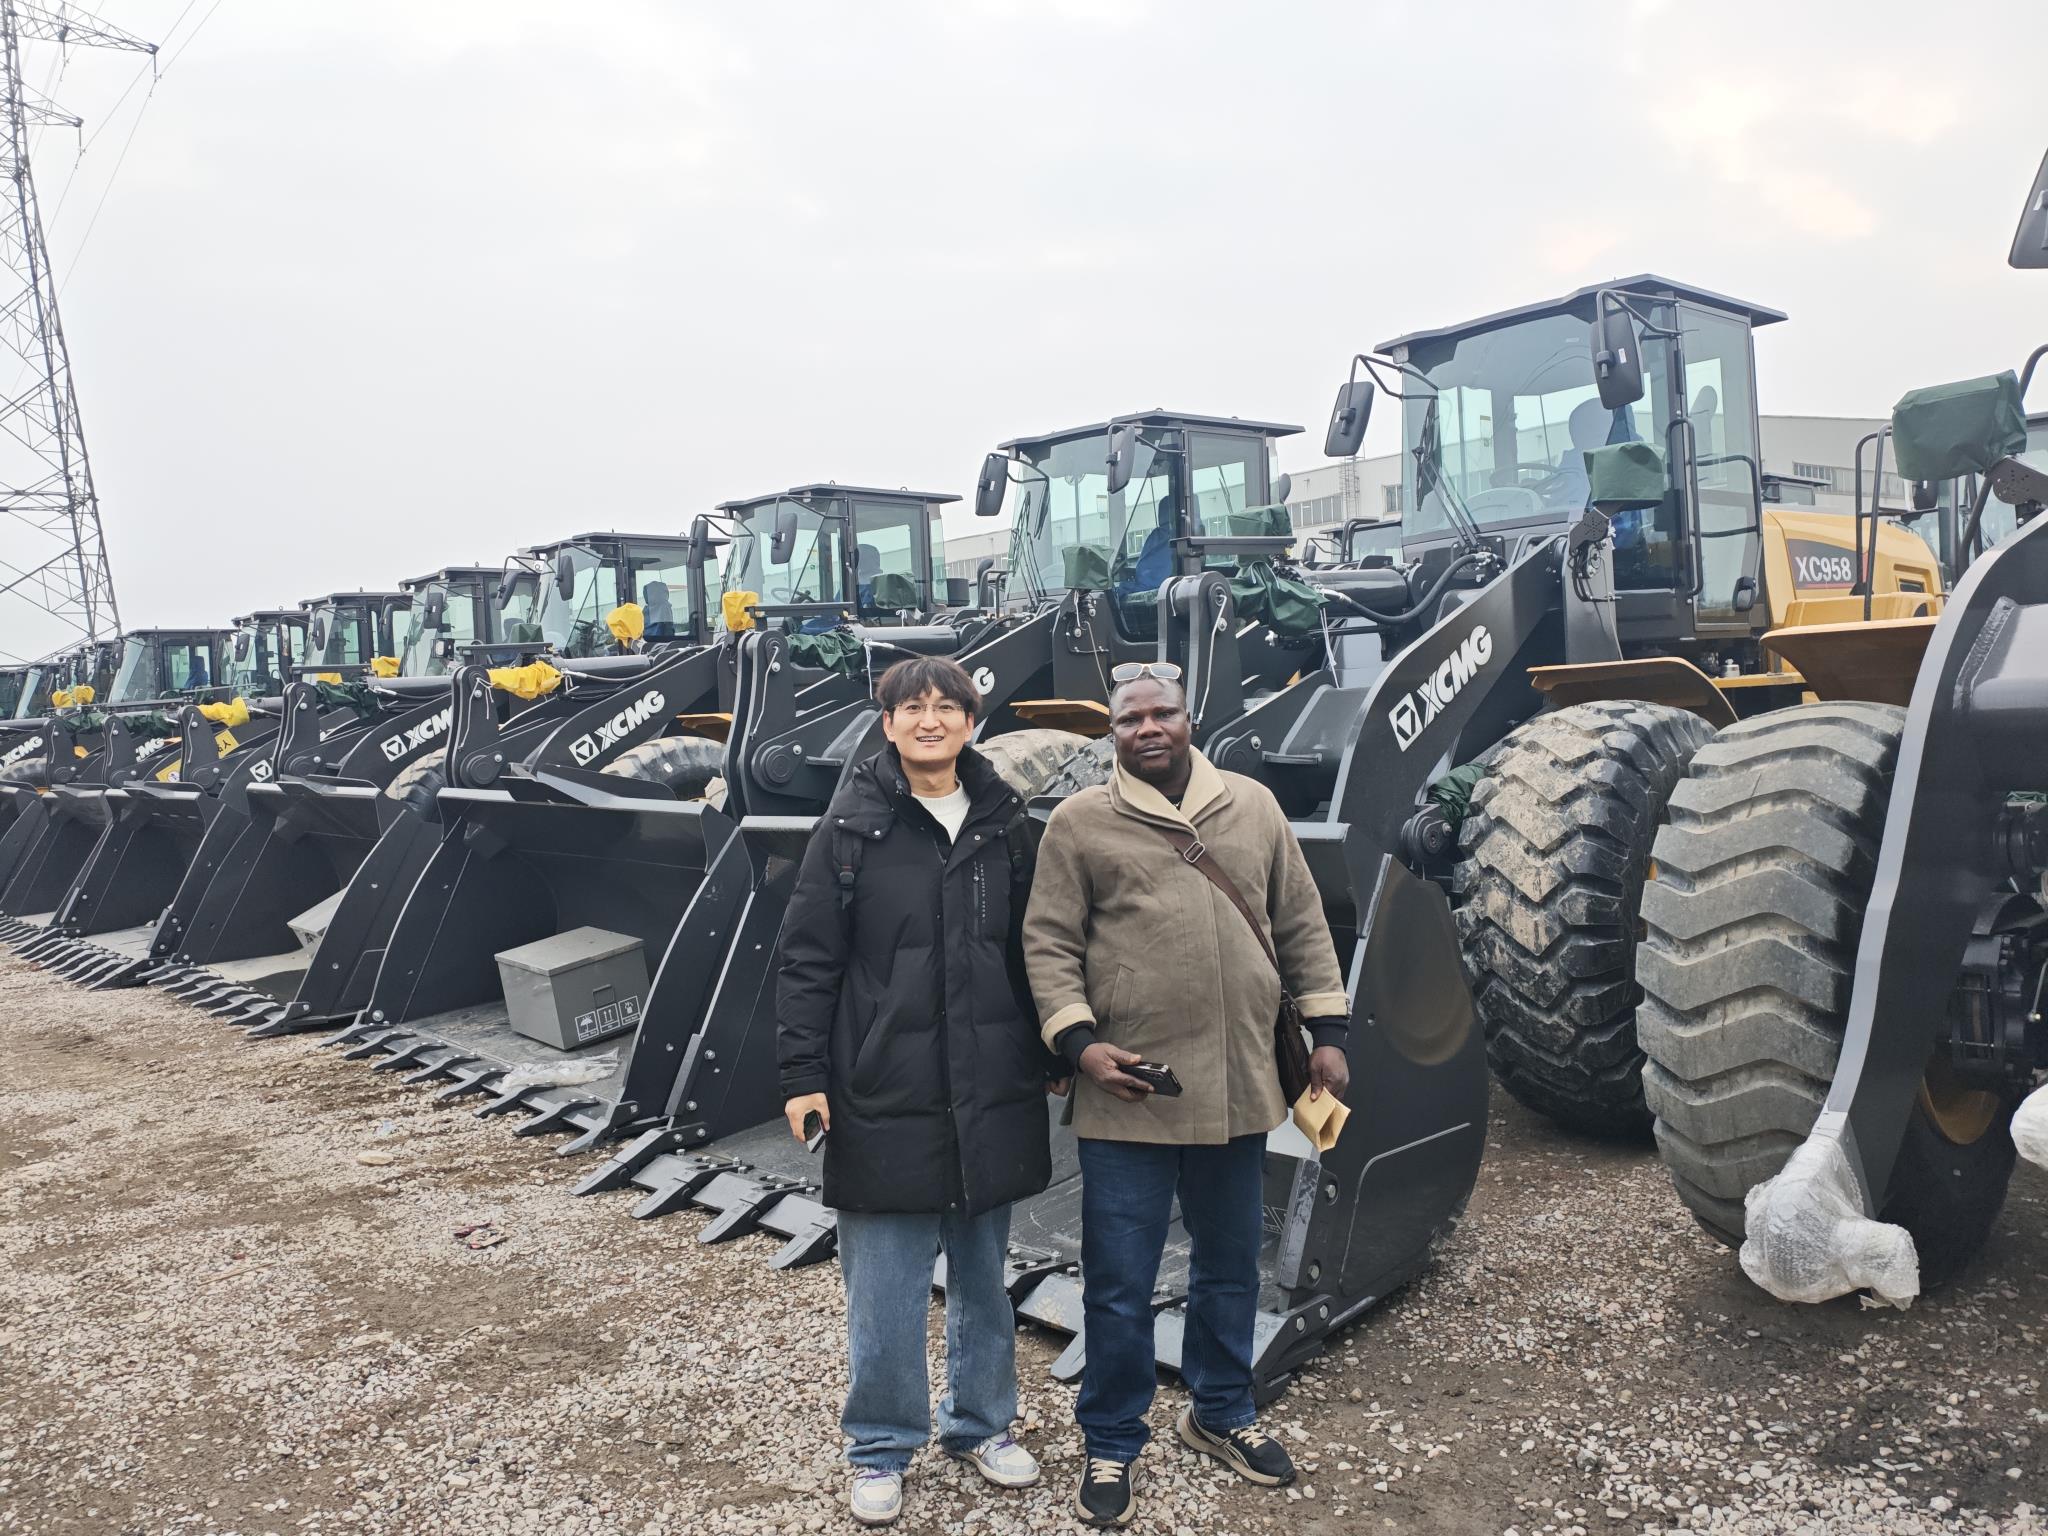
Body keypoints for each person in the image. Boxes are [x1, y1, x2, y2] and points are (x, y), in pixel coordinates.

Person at [1023, 666, 1352, 1528]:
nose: (1148, 727)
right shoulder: (1079, 822)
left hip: (1239, 1084)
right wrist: (1079, 1043)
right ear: (1113, 732)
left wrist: (1329, 1035)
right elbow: (1049, 943)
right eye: (1129, 718)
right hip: (1126, 1094)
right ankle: (1112, 1434)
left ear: (1189, 717)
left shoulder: (1252, 806)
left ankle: (1221, 1411)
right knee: (1121, 1281)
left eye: (1162, 711)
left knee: (1228, 1267)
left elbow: (1302, 924)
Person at [777, 655, 1056, 1527]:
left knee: (983, 1277)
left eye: (948, 707)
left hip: (988, 1082)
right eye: (913, 708)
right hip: (881, 1081)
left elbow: (1031, 949)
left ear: (972, 722)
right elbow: (808, 959)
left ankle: (981, 1426)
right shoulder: (850, 830)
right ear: (887, 722)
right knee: (886, 1286)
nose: (930, 721)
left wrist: (1052, 1044)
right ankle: (879, 1445)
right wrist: (801, 1076)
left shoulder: (1009, 824)